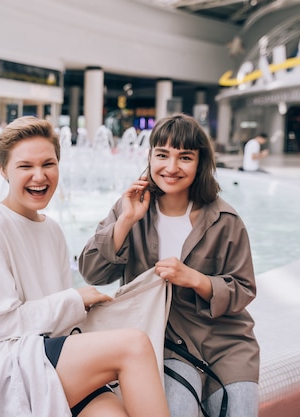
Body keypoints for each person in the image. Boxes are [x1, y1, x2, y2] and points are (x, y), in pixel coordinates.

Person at [0, 116, 170, 417]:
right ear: (3, 170)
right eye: (25, 166)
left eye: (48, 164)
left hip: (47, 356)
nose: (39, 176)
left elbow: (54, 318)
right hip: (1, 364)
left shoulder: (52, 230)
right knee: (133, 345)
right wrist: (74, 299)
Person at [79, 114, 260, 417]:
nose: (172, 168)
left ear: (200, 162)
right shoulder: (131, 206)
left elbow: (244, 288)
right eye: (162, 155)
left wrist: (195, 279)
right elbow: (92, 271)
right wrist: (125, 221)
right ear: (149, 156)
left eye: (185, 157)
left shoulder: (225, 220)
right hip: (161, 341)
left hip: (225, 344)